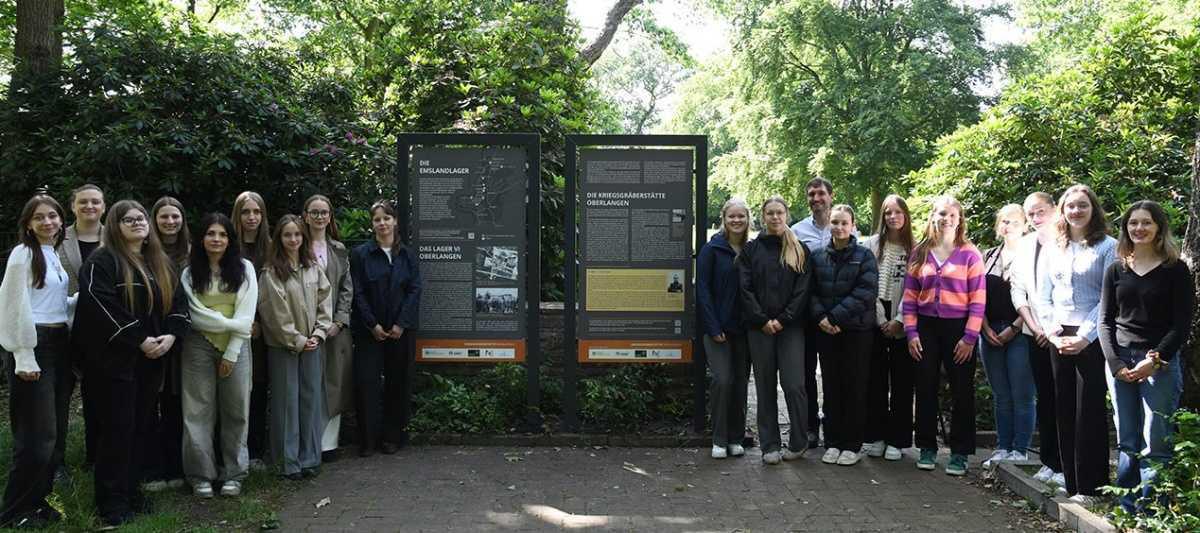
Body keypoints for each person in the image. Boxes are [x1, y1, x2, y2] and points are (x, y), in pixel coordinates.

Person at [73, 200, 189, 527]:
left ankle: (133, 493)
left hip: (152, 360)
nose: (138, 223)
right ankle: (111, 504)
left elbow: (179, 305)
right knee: (117, 431)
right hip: (113, 363)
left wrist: (171, 337)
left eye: (141, 218)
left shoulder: (159, 262)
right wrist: (138, 339)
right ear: (115, 225)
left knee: (141, 429)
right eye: (129, 219)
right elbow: (101, 306)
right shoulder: (102, 262)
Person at [1099, 200, 1191, 514]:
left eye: (1146, 222)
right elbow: (1105, 321)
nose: (1139, 228)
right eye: (1133, 223)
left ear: (1159, 227)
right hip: (1121, 361)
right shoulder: (1116, 268)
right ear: (1126, 229)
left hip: (1159, 364)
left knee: (1157, 443)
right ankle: (1126, 507)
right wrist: (1116, 364)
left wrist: (1155, 359)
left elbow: (1182, 324)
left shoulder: (1175, 269)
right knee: (1127, 439)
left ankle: (1152, 512)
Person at [1034, 184, 1116, 505]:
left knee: (1089, 411)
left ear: (1093, 209)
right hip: (1057, 334)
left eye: (1083, 205)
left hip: (1092, 337)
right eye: (1071, 206)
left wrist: (1083, 336)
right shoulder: (1054, 246)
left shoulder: (1108, 247)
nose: (1076, 211)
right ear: (1063, 211)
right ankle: (1071, 483)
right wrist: (1052, 329)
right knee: (1063, 408)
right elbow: (1043, 294)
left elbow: (1107, 300)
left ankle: (1092, 487)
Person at [0, 195, 70, 528]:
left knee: (52, 434)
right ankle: (15, 511)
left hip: (58, 344)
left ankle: (38, 502)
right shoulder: (22, 254)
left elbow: (54, 304)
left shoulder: (52, 255)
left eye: (53, 216)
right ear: (28, 223)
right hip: (33, 346)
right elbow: (14, 306)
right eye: (39, 217)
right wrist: (23, 355)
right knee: (35, 436)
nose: (47, 222)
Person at [903, 195, 985, 476]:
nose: (946, 219)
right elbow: (910, 297)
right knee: (925, 387)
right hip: (925, 327)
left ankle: (960, 453)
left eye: (951, 215)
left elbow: (978, 300)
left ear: (959, 219)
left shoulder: (969, 253)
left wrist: (970, 337)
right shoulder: (920, 252)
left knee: (962, 390)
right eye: (941, 214)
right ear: (932, 217)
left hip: (959, 328)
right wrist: (911, 332)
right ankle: (926, 447)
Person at [180, 213, 258, 498]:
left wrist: (233, 347)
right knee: (197, 411)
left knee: (237, 410)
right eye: (211, 233)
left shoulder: (245, 268)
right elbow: (195, 315)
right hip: (198, 344)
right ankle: (200, 476)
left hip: (236, 347)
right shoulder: (189, 272)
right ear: (202, 238)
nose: (216, 239)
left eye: (222, 234)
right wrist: (233, 323)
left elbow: (247, 311)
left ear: (229, 239)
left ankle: (234, 474)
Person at [738, 195, 813, 465]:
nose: (775, 217)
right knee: (765, 386)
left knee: (794, 385)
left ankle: (799, 441)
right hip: (759, 329)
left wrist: (783, 319)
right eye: (770, 213)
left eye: (779, 212)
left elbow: (803, 291)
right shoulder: (751, 250)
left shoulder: (799, 249)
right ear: (763, 216)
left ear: (787, 215)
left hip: (791, 328)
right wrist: (762, 320)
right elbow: (744, 289)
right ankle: (770, 444)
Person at [258, 214, 332, 480]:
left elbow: (326, 300)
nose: (293, 239)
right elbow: (273, 313)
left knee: (311, 400)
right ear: (279, 238)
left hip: (314, 344)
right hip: (284, 347)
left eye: (298, 235)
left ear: (303, 237)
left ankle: (310, 458)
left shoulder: (313, 267)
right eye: (287, 235)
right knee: (287, 402)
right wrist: (298, 340)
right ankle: (287, 462)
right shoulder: (271, 272)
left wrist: (320, 333)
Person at [350, 201, 421, 456]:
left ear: (395, 221)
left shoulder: (408, 256)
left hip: (400, 332)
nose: (382, 223)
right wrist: (372, 324)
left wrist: (402, 323)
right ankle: (367, 441)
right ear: (372, 224)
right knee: (367, 383)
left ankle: (393, 437)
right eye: (377, 219)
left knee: (397, 383)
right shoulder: (360, 255)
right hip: (370, 332)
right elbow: (357, 292)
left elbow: (414, 290)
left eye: (386, 218)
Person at [810, 205, 877, 467]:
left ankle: (852, 444)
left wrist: (835, 317)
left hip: (856, 332)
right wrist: (822, 319)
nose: (839, 227)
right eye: (835, 222)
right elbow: (811, 291)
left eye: (844, 223)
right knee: (832, 387)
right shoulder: (817, 257)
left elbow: (866, 292)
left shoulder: (864, 256)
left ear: (852, 226)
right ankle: (833, 442)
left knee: (855, 387)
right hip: (826, 332)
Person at [1008, 192, 1063, 487]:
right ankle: (1048, 460)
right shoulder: (1026, 245)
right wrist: (1034, 326)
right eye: (1030, 214)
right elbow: (1018, 289)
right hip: (1034, 333)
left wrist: (1051, 329)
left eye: (1040, 211)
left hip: (1064, 335)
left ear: (1054, 210)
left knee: (1064, 398)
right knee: (1045, 397)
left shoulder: (1067, 241)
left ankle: (1066, 462)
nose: (1035, 218)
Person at [979, 204, 1035, 469]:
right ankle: (1003, 447)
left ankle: (1020, 449)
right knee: (1001, 394)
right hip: (989, 332)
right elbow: (976, 297)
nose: (1008, 226)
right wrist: (985, 327)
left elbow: (1035, 297)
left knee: (1022, 394)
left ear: (1025, 225)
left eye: (1013, 221)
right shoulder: (988, 256)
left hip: (1021, 332)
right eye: (1003, 221)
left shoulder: (1034, 255)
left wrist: (1014, 327)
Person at [860, 194, 915, 461]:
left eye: (897, 212)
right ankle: (877, 435)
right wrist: (881, 319)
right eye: (887, 213)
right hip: (875, 320)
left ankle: (898, 439)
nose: (893, 217)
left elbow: (916, 289)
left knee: (903, 382)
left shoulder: (916, 248)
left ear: (906, 215)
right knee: (876, 381)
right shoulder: (870, 245)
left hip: (906, 321)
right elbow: (868, 285)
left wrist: (900, 319)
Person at [697, 198, 752, 460]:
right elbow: (703, 290)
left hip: (744, 329)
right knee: (722, 380)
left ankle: (735, 437)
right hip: (717, 329)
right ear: (724, 218)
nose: (737, 220)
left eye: (741, 216)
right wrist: (712, 325)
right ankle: (718, 438)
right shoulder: (712, 249)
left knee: (740, 383)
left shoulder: (752, 250)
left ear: (748, 219)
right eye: (732, 216)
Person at [303, 195, 355, 463]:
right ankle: (308, 441)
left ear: (330, 216)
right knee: (309, 384)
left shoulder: (338, 249)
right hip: (303, 329)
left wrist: (339, 321)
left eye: (324, 212)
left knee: (334, 384)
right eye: (314, 212)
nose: (320, 217)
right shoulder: (296, 245)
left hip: (335, 329)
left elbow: (347, 288)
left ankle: (328, 444)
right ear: (306, 215)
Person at [58, 183, 106, 471]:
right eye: (83, 202)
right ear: (73, 206)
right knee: (59, 397)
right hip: (62, 328)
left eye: (95, 202)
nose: (89, 207)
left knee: (96, 396)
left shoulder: (114, 237)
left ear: (104, 206)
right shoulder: (56, 237)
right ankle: (55, 462)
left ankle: (95, 455)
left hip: (102, 332)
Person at [144, 196, 191, 491]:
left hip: (181, 339)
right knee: (149, 406)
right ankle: (151, 469)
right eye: (164, 217)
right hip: (149, 337)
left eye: (175, 216)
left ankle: (176, 467)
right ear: (154, 220)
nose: (170, 222)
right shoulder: (143, 251)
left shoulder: (191, 252)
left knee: (176, 406)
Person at [790, 178, 835, 449]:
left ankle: (832, 425)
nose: (816, 198)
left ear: (831, 196)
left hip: (834, 314)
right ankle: (810, 426)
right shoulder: (797, 231)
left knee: (831, 373)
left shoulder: (843, 224)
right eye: (811, 194)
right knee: (806, 372)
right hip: (806, 314)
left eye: (820, 193)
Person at [232, 191, 271, 464]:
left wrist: (260, 322)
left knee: (258, 387)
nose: (252, 217)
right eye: (246, 212)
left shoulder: (270, 247)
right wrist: (246, 321)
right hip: (234, 328)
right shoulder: (227, 246)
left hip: (264, 331)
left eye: (256, 212)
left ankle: (256, 449)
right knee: (234, 392)